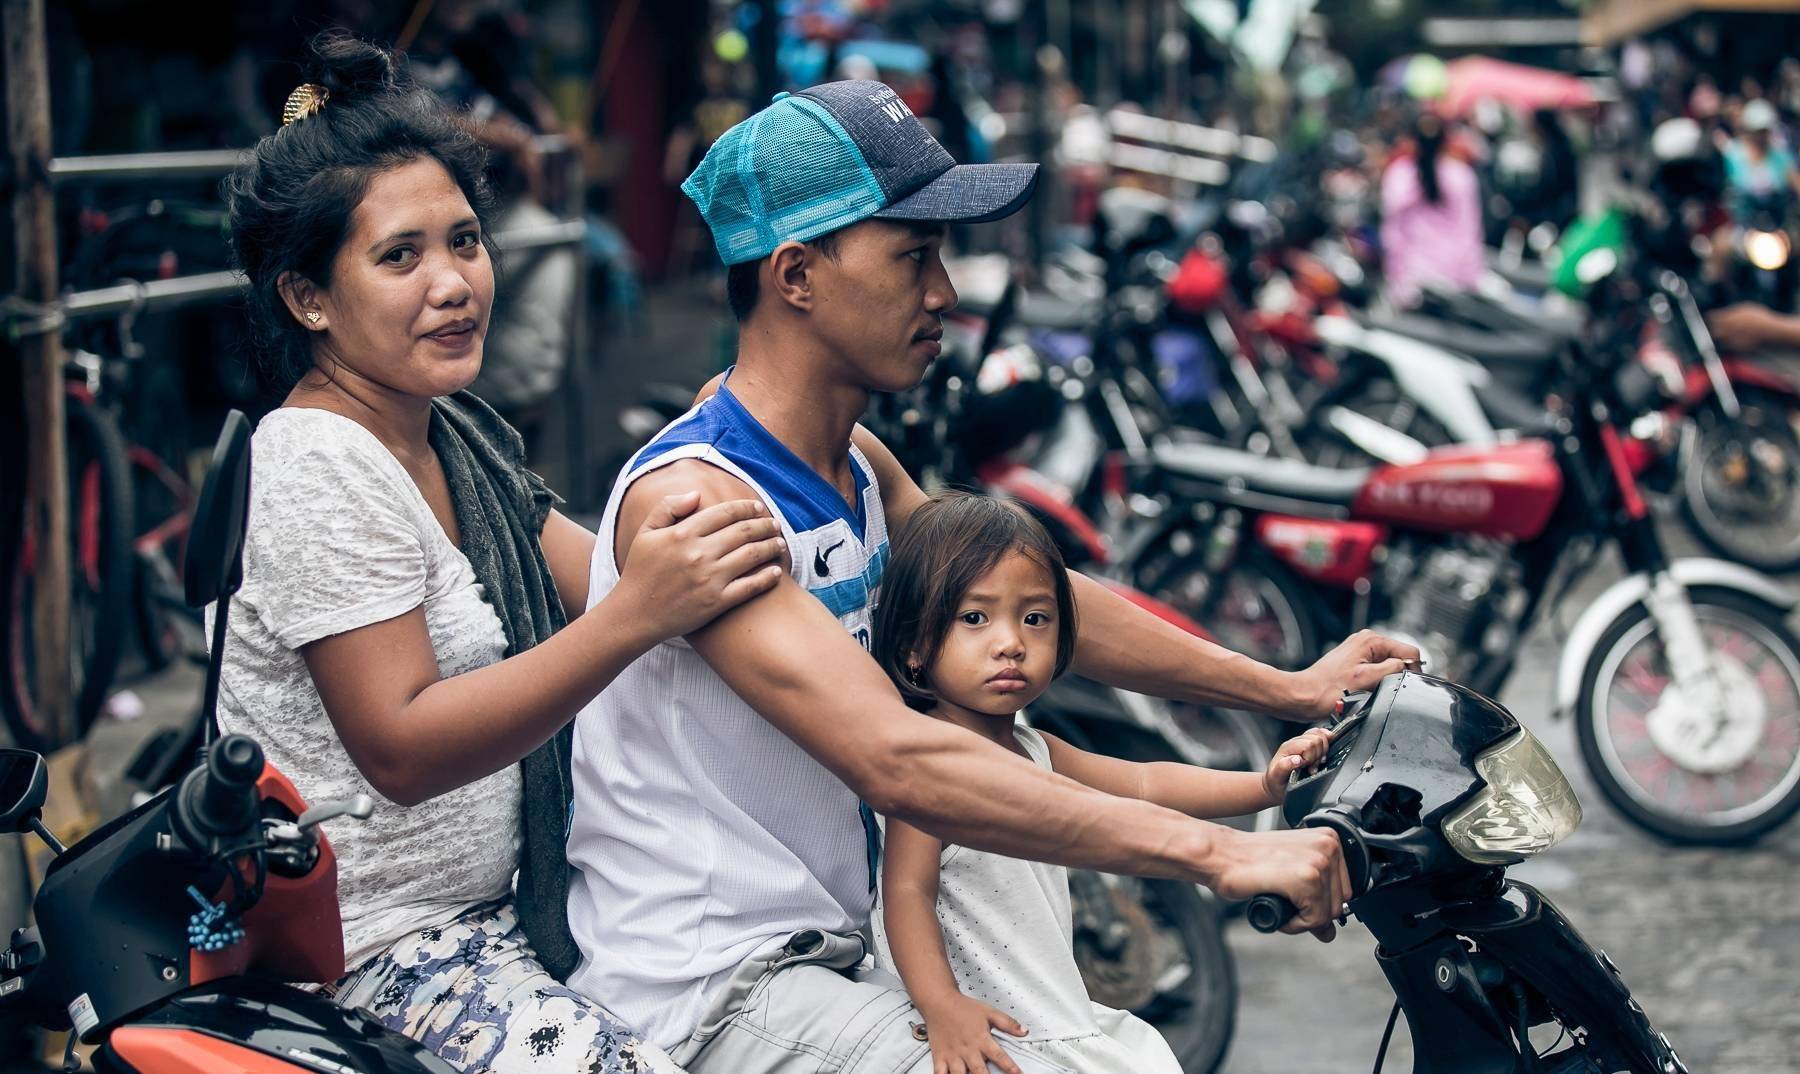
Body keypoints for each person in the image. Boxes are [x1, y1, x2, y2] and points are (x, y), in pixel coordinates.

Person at [564, 78, 1419, 1073]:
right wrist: (1224, 851)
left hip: (849, 950)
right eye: (913, 257)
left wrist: (1287, 687)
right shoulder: (704, 504)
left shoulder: (855, 464)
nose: (945, 294)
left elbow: (1032, 596)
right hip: (723, 988)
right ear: (796, 275)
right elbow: (900, 759)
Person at [218, 34, 787, 1073]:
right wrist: (635, 617)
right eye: (401, 257)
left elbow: (603, 565)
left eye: (466, 241)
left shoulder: (453, 428)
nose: (454, 283)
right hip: (385, 950)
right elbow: (403, 746)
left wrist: (726, 454)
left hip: (522, 901)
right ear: (308, 299)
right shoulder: (312, 463)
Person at [868, 492, 1334, 1074]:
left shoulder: (1032, 747)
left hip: (1047, 1010)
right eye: (974, 618)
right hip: (983, 1021)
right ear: (913, 645)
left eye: (1034, 618)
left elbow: (1143, 784)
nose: (1010, 642)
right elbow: (907, 893)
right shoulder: (928, 763)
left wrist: (1264, 786)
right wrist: (942, 1007)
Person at [1380, 112, 1484, 307]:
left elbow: (1392, 235)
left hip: (1412, 283)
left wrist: (1396, 279)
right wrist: (1469, 278)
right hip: (1451, 283)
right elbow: (1470, 233)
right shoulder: (1461, 175)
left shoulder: (1399, 176)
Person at [1723, 98, 1800, 222]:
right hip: (1747, 219)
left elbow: (1795, 179)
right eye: (1757, 131)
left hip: (1778, 217)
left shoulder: (1780, 154)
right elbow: (1730, 190)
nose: (1761, 136)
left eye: (1764, 131)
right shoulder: (1734, 154)